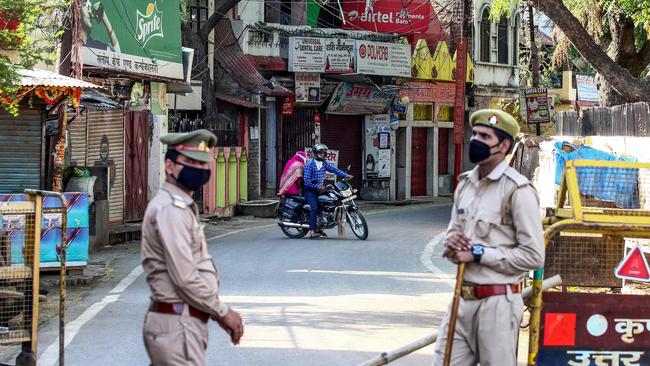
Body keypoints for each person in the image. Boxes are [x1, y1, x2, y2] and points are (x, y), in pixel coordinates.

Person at [432, 110, 544, 366]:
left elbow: (534, 255)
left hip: (498, 305)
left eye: (484, 136)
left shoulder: (518, 190)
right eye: (475, 134)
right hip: (461, 300)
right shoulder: (465, 184)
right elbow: (453, 233)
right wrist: (452, 245)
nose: (475, 140)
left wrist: (479, 253)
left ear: (503, 146)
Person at [141, 129, 244, 366]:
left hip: (182, 324)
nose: (198, 169)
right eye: (189, 162)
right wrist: (222, 311)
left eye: (202, 163)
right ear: (170, 165)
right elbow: (185, 277)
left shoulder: (180, 206)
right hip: (177, 325)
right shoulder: (171, 209)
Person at [303, 144, 352, 239]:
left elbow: (334, 170)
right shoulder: (310, 165)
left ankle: (320, 228)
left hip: (320, 189)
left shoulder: (324, 163)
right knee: (314, 207)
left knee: (328, 202)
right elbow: (307, 181)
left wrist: (346, 175)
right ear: (316, 153)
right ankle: (312, 231)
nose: (323, 154)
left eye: (324, 153)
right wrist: (318, 186)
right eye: (321, 153)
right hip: (310, 190)